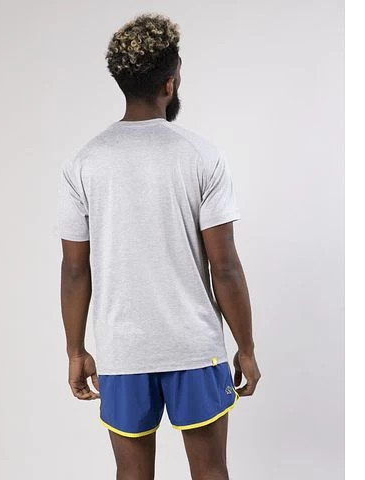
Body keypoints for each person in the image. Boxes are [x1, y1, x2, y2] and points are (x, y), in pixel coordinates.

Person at [57, 13, 261, 480]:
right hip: (195, 349)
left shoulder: (84, 163)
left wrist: (76, 350)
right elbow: (225, 266)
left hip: (123, 351)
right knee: (211, 473)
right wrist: (246, 347)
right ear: (170, 83)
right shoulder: (202, 156)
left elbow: (74, 269)